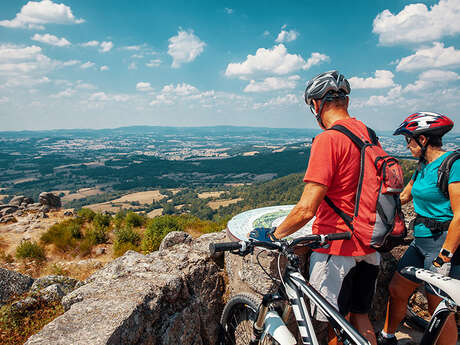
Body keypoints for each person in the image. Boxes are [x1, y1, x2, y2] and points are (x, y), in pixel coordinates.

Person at [249, 70, 379, 345]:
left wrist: (273, 236)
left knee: (336, 330)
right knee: (360, 320)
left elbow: (306, 208)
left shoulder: (329, 139)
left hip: (337, 249)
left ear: (317, 104)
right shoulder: (369, 134)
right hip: (369, 245)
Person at [376, 112, 460, 345]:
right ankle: (387, 337)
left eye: (408, 140)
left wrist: (445, 256)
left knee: (439, 308)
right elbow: (405, 195)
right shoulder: (424, 165)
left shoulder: (454, 164)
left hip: (442, 244)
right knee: (397, 289)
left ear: (422, 140)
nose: (407, 146)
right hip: (420, 241)